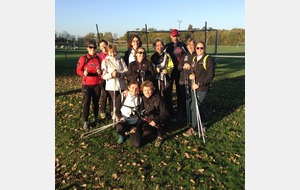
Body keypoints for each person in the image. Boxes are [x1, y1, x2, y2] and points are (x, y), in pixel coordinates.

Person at [183, 41, 215, 137]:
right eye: (198, 48)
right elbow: (193, 71)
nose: (199, 50)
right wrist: (191, 75)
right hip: (194, 86)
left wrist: (199, 83)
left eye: (201, 48)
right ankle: (202, 124)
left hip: (202, 88)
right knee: (198, 106)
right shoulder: (194, 58)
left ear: (204, 48)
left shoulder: (208, 59)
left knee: (194, 107)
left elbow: (211, 75)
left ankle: (194, 127)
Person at [76, 40, 102, 129]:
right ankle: (85, 121)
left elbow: (102, 70)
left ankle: (96, 118)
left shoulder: (98, 58)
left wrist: (100, 72)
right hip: (86, 84)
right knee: (86, 102)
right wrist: (84, 73)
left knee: (96, 102)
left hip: (96, 84)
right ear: (87, 48)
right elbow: (78, 70)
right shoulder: (83, 58)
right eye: (90, 47)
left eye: (94, 47)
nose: (92, 49)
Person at [150, 38, 176, 122]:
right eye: (157, 45)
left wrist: (167, 70)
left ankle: (171, 114)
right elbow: (150, 68)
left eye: (161, 45)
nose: (159, 47)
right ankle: (158, 115)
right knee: (157, 98)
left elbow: (171, 66)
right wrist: (155, 70)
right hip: (156, 80)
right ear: (154, 47)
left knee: (167, 97)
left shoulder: (167, 55)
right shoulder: (152, 57)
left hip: (165, 79)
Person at [164, 29, 187, 122]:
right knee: (168, 92)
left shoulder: (183, 46)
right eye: (173, 36)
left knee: (180, 91)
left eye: (177, 35)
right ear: (170, 36)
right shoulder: (167, 46)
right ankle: (170, 112)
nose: (175, 37)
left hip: (180, 72)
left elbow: (187, 55)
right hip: (170, 72)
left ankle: (180, 111)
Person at [101, 44, 128, 121]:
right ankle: (116, 117)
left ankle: (122, 116)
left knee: (122, 101)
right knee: (116, 102)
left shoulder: (120, 59)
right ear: (107, 52)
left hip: (121, 85)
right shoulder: (105, 61)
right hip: (111, 86)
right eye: (110, 52)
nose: (112, 54)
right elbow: (104, 75)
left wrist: (120, 74)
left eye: (114, 52)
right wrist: (111, 75)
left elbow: (126, 70)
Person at [140, 81, 169, 147]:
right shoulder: (142, 98)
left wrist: (156, 120)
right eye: (145, 90)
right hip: (148, 120)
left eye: (149, 90)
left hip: (158, 120)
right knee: (145, 133)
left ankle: (160, 136)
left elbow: (165, 113)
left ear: (152, 90)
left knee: (159, 127)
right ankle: (153, 132)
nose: (146, 92)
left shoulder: (158, 99)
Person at [115, 81, 143, 147]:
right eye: (132, 88)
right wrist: (121, 118)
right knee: (120, 128)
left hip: (134, 123)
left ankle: (131, 132)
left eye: (136, 88)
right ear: (128, 88)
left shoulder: (140, 99)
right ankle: (122, 135)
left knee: (137, 144)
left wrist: (136, 127)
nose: (134, 90)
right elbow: (117, 111)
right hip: (124, 121)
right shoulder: (123, 96)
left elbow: (142, 115)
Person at [177, 37, 197, 125]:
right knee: (183, 99)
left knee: (193, 99)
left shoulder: (198, 55)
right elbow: (178, 67)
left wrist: (192, 68)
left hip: (193, 81)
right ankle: (184, 116)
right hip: (183, 80)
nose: (191, 46)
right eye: (189, 45)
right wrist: (183, 66)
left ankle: (193, 117)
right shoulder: (185, 55)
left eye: (192, 45)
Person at [96, 40, 112, 120]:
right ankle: (102, 111)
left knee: (111, 94)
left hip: (111, 77)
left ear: (107, 45)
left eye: (104, 45)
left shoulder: (111, 53)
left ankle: (112, 110)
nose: (103, 47)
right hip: (102, 78)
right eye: (101, 46)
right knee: (105, 94)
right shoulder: (98, 55)